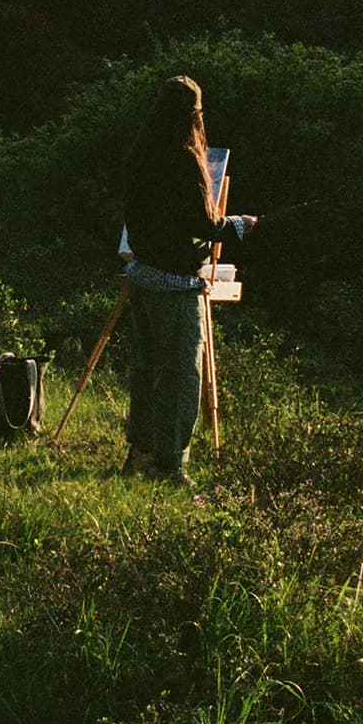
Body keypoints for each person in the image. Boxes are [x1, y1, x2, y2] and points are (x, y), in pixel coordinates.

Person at [122, 75, 258, 487]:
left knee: (146, 371)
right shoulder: (184, 158)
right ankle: (169, 466)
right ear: (194, 116)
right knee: (181, 376)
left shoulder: (140, 152)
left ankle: (140, 454)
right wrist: (239, 224)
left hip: (141, 277)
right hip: (176, 284)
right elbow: (204, 223)